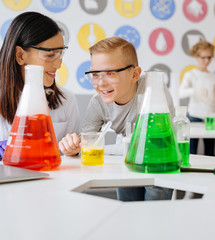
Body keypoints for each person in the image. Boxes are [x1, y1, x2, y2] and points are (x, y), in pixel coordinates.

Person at [59, 36, 175, 201]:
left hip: (157, 159)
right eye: (95, 74)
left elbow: (154, 145)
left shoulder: (153, 91)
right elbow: (87, 144)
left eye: (110, 74)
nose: (101, 83)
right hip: (126, 159)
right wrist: (74, 148)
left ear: (134, 74)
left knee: (154, 206)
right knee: (126, 204)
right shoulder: (98, 104)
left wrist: (112, 148)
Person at [0, 11, 80, 160]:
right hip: (1, 182)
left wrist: (73, 152)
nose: (58, 64)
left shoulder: (66, 100)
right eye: (50, 55)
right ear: (20, 55)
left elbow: (74, 161)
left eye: (60, 54)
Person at [179, 41, 215, 156]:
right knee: (191, 151)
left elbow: (213, 100)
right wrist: (194, 90)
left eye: (209, 57)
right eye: (203, 57)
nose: (207, 61)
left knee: (210, 152)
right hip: (194, 115)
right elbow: (181, 93)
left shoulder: (214, 77)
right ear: (196, 56)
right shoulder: (191, 74)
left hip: (210, 117)